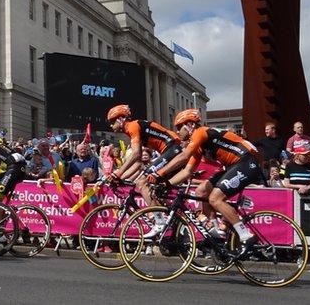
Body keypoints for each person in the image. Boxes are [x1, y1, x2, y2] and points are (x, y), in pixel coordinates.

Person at [148, 112, 263, 258]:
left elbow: (183, 157)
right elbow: (188, 171)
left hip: (246, 163)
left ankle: (246, 236)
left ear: (190, 125)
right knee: (201, 191)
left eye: (179, 127)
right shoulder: (199, 145)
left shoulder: (200, 132)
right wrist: (167, 184)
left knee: (215, 198)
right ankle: (216, 232)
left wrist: (159, 174)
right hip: (233, 166)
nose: (177, 131)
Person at [105, 105, 184, 223]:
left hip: (172, 150)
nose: (111, 125)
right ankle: (175, 220)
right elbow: (138, 162)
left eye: (112, 121)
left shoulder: (132, 126)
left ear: (121, 119)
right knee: (157, 190)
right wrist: (120, 177)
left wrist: (119, 172)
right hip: (172, 151)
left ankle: (160, 221)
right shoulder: (132, 129)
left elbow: (136, 154)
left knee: (142, 182)